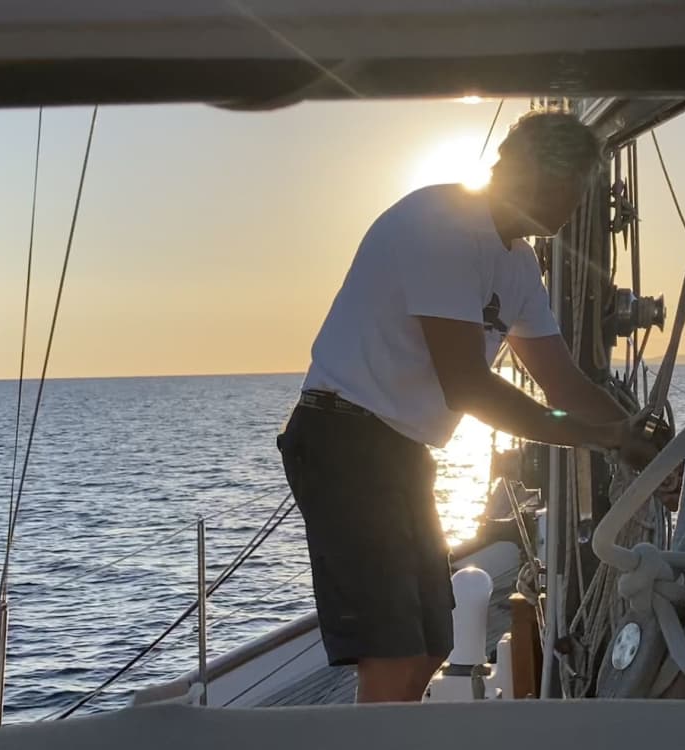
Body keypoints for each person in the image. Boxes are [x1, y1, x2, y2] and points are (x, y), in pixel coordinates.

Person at [278, 110, 662, 704]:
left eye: (580, 188)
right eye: (569, 186)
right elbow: (469, 387)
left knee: (430, 646)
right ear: (525, 173)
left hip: (402, 452)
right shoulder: (444, 225)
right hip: (343, 438)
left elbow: (562, 382)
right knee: (392, 653)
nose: (574, 204)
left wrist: (638, 440)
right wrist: (605, 438)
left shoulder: (517, 262)